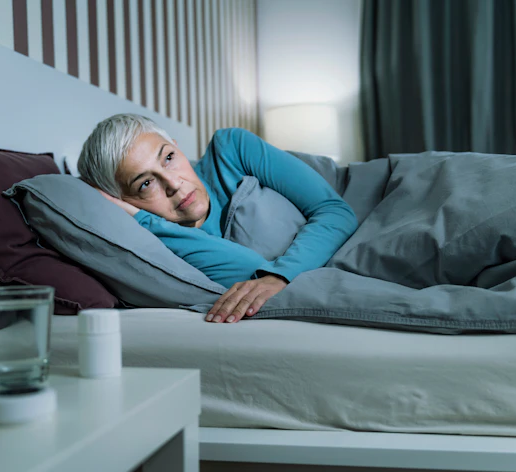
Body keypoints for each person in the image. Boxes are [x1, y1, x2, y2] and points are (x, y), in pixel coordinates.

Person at [77, 113, 357, 324]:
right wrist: (145, 220)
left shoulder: (231, 148)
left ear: (178, 147)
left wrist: (279, 277)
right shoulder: (151, 240)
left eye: (169, 158)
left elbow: (335, 210)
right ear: (123, 202)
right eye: (145, 184)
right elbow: (248, 269)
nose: (173, 183)